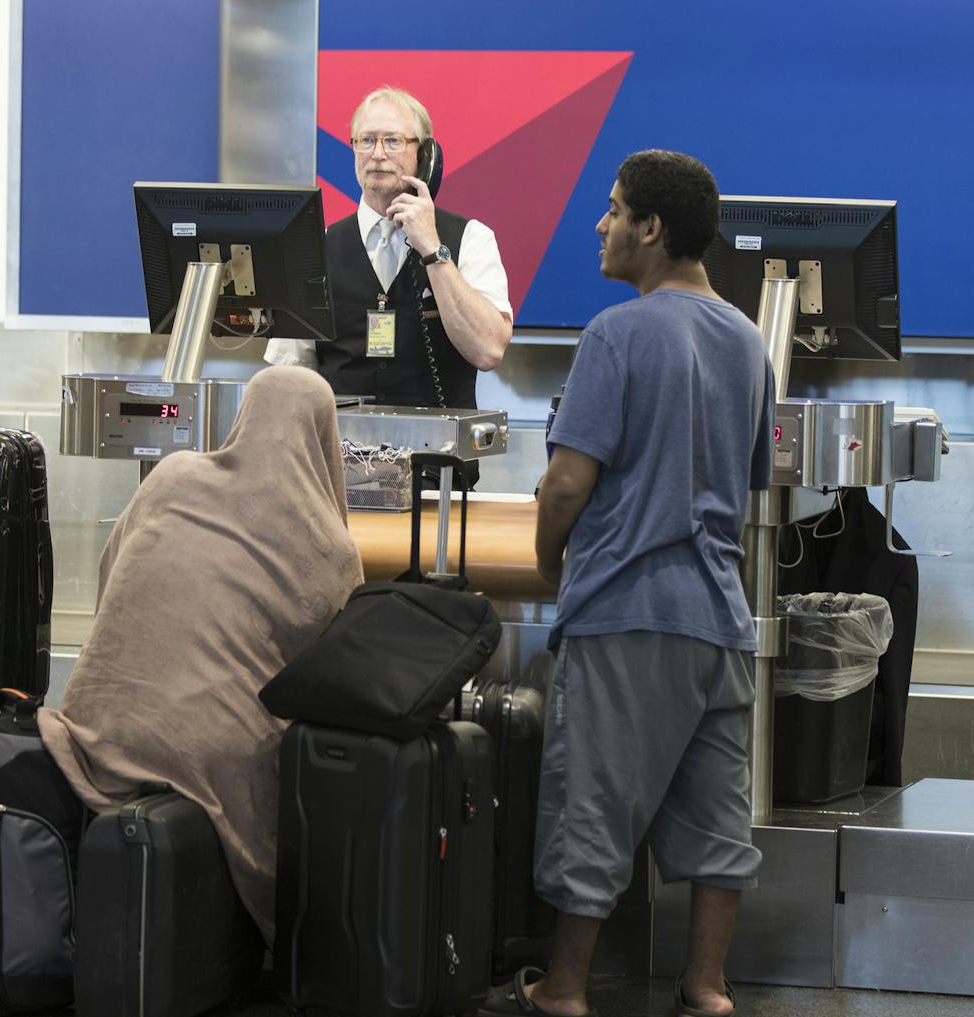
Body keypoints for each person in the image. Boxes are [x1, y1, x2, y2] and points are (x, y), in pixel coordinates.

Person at [492, 151, 775, 1017]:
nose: (599, 225)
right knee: (716, 818)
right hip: (718, 621)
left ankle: (565, 989)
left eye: (612, 210)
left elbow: (569, 480)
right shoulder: (748, 341)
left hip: (625, 611)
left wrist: (549, 557)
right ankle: (707, 987)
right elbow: (747, 477)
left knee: (593, 802)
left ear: (652, 228)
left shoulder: (618, 331)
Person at [37, 366, 365, 946]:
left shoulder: (173, 474)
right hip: (206, 757)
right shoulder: (331, 550)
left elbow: (111, 573)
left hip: (95, 723)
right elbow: (322, 680)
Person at [265, 86, 513, 484]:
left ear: (425, 155)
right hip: (333, 482)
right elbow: (288, 380)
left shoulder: (470, 239)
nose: (377, 153)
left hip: (438, 481)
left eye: (393, 141)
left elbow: (488, 349)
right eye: (366, 140)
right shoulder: (315, 248)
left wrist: (432, 249)